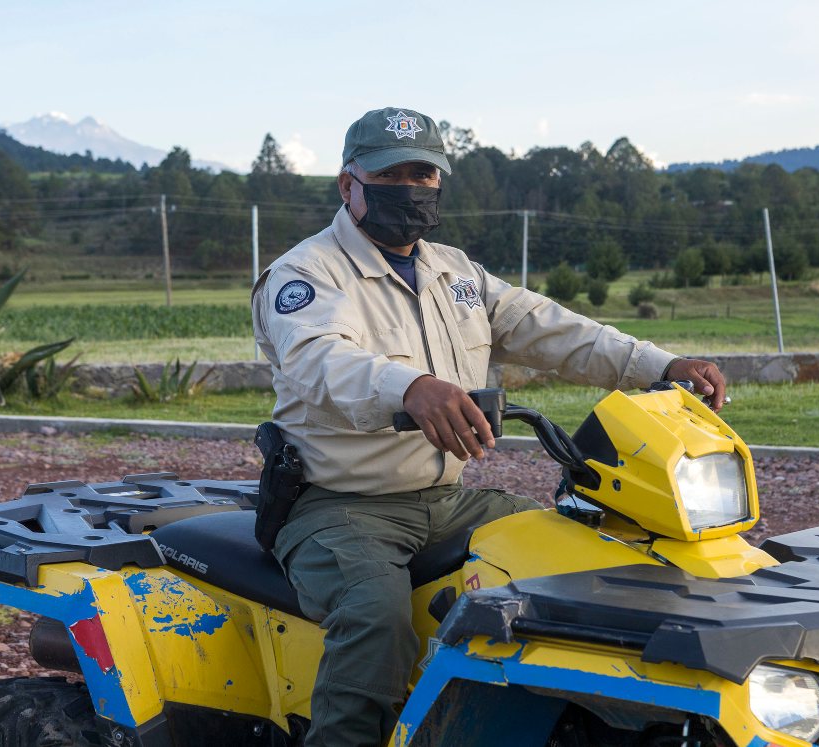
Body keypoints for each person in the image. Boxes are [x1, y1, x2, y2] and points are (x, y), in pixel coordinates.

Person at [250, 106, 726, 747]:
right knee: (374, 617)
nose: (412, 188)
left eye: (425, 173)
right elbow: (317, 361)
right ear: (348, 185)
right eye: (393, 175)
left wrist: (660, 364)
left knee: (578, 556)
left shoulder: (456, 272)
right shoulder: (306, 274)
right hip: (339, 505)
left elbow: (554, 329)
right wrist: (412, 388)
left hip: (449, 500)